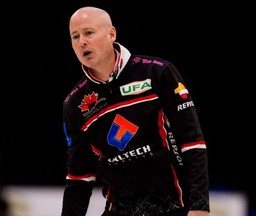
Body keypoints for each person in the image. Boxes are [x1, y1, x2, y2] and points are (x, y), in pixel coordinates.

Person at [61, 6, 210, 216]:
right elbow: (79, 176)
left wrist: (199, 206)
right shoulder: (75, 103)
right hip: (120, 208)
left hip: (174, 206)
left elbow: (192, 142)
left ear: (111, 33)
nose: (81, 42)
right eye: (75, 36)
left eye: (89, 33)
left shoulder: (158, 72)